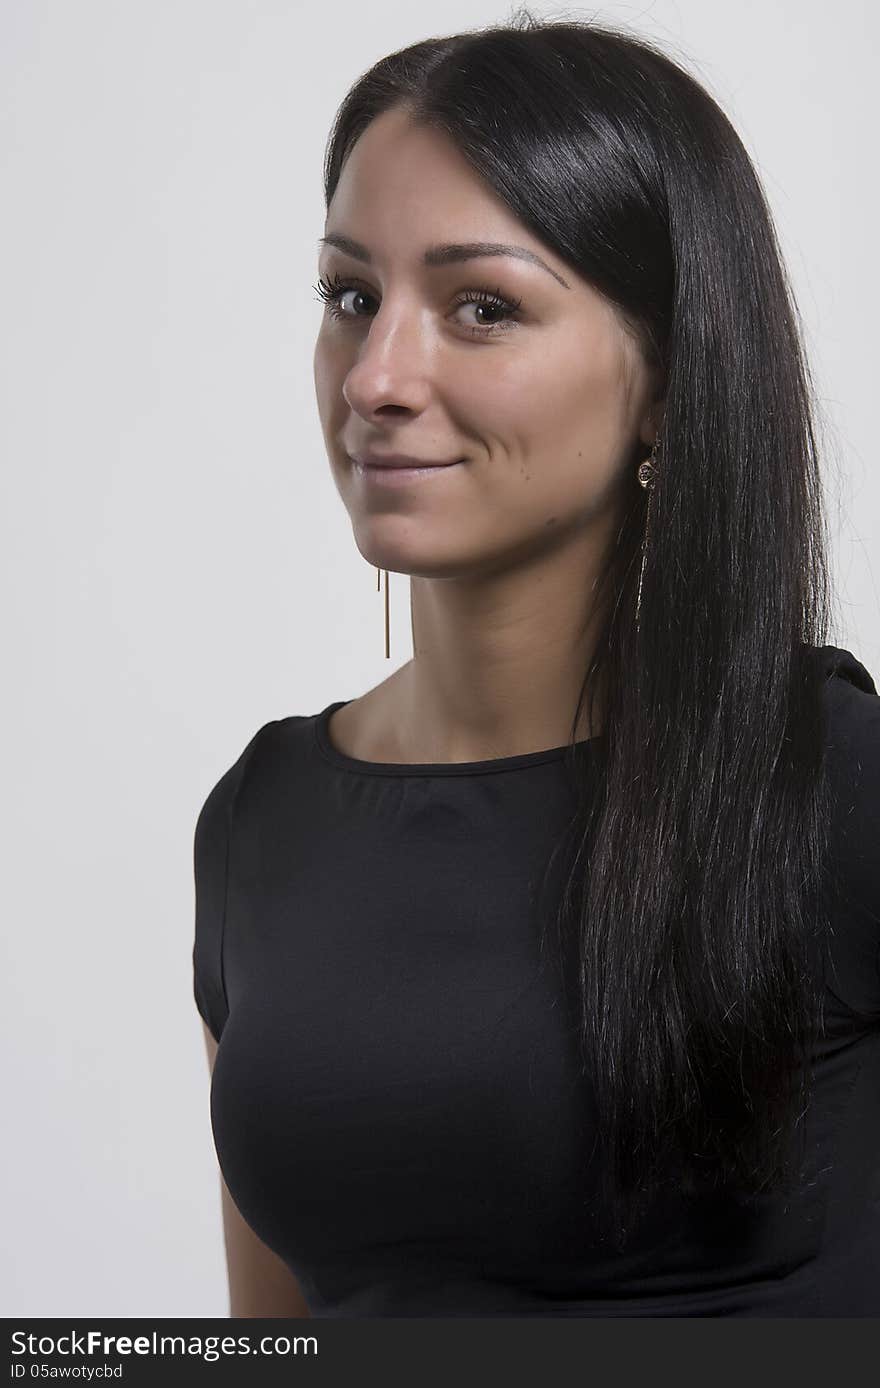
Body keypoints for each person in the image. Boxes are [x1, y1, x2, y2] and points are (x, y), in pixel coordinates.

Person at [192, 12, 880, 1316]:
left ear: (668, 383)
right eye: (352, 296)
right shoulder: (256, 825)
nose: (378, 375)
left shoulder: (834, 788)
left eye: (483, 307)